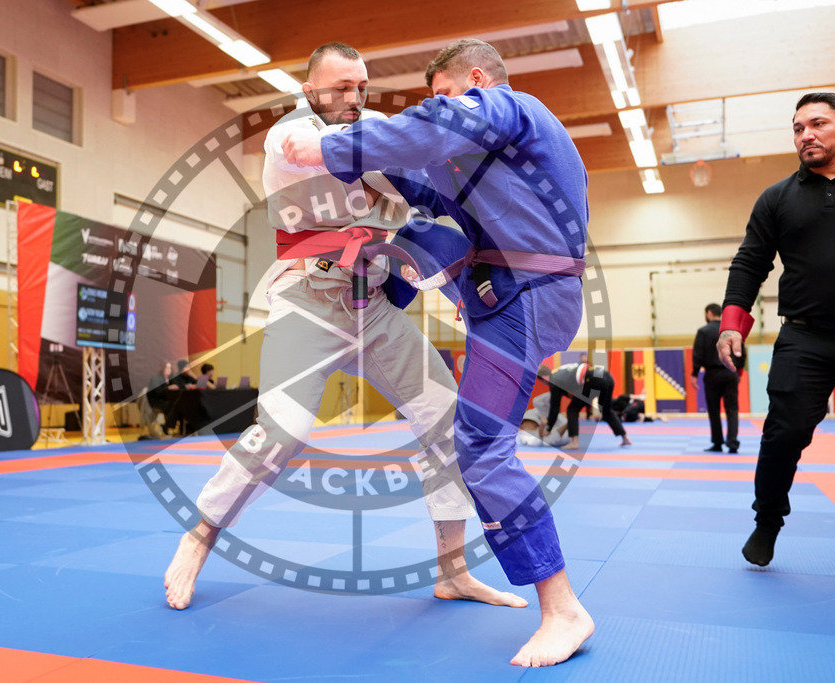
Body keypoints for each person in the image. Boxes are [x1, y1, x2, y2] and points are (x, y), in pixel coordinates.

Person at [164, 42, 526, 618]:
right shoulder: (289, 138)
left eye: (361, 86)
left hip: (373, 307)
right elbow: (347, 156)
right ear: (309, 90)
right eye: (340, 88)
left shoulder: (378, 129)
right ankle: (200, 536)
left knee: (445, 418)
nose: (354, 97)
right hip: (307, 301)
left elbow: (421, 177)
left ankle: (453, 572)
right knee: (281, 432)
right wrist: (406, 157)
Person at [283, 38, 594, 667]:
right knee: (416, 232)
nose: (442, 107)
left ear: (477, 80)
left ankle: (564, 610)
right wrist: (361, 168)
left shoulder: (512, 108)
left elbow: (438, 128)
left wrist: (332, 147)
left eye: (446, 95)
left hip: (530, 294)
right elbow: (433, 191)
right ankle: (377, 302)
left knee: (481, 447)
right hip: (503, 290)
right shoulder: (490, 159)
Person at [715, 92, 835, 586]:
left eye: (818, 124)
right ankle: (767, 523)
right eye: (799, 128)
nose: (806, 135)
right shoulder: (778, 198)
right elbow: (750, 262)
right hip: (805, 338)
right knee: (783, 435)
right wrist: (732, 324)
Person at [692, 303, 745, 453]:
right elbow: (741, 351)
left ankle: (717, 442)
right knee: (732, 409)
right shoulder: (731, 331)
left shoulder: (703, 331)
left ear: (709, 313)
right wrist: (739, 372)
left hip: (712, 374)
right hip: (731, 372)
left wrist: (694, 374)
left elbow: (698, 354)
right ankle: (732, 443)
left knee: (714, 410)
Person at [545, 363, 630, 450]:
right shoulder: (561, 371)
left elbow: (555, 406)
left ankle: (574, 442)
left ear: (544, 377)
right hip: (608, 377)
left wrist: (548, 428)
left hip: (592, 379)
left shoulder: (554, 380)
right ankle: (625, 438)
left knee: (572, 409)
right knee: (606, 411)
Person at [518, 365, 569, 446]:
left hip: (540, 420)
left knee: (537, 401)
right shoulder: (547, 439)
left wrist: (543, 425)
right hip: (557, 429)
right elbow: (541, 435)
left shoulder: (529, 436)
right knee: (538, 401)